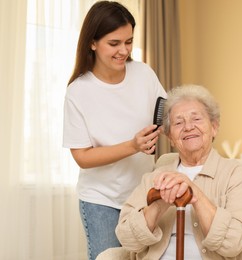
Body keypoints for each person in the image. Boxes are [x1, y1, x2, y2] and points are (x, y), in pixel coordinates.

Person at [62, 1, 166, 259]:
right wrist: (133, 146)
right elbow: (83, 157)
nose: (124, 50)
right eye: (114, 43)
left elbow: (166, 113)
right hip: (102, 202)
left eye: (128, 41)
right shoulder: (78, 92)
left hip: (144, 195)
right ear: (93, 42)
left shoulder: (143, 73)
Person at [115, 85, 242, 259]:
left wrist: (194, 193)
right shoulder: (154, 178)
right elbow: (127, 239)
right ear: (170, 138)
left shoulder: (234, 175)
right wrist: (159, 204)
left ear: (214, 127)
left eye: (196, 119)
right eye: (178, 122)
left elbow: (234, 243)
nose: (188, 127)